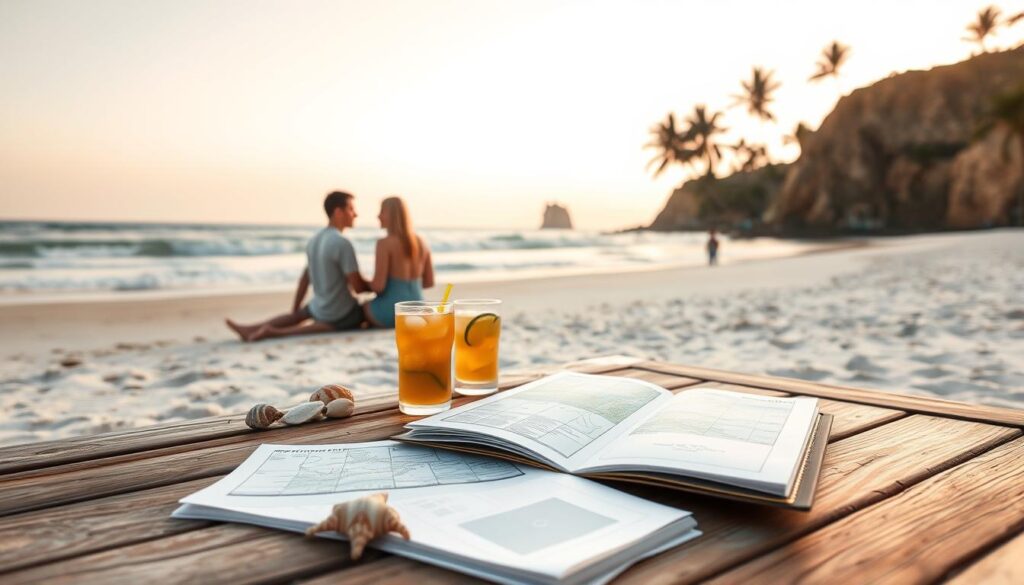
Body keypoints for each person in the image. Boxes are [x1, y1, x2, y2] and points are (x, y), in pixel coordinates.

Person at [226, 191, 370, 341]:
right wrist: (379, 284)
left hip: (318, 306)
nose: (356, 214)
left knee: (304, 313)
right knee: (352, 318)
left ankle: (251, 328)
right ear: (338, 212)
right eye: (351, 209)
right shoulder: (342, 242)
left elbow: (305, 278)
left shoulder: (314, 239)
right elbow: (358, 287)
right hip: (339, 312)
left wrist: (295, 311)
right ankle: (274, 332)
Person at [364, 196, 434, 328]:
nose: (378, 216)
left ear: (392, 215)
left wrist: (361, 281)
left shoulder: (384, 243)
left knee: (364, 306)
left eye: (382, 211)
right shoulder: (421, 242)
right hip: (418, 312)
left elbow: (378, 287)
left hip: (393, 312)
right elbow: (429, 282)